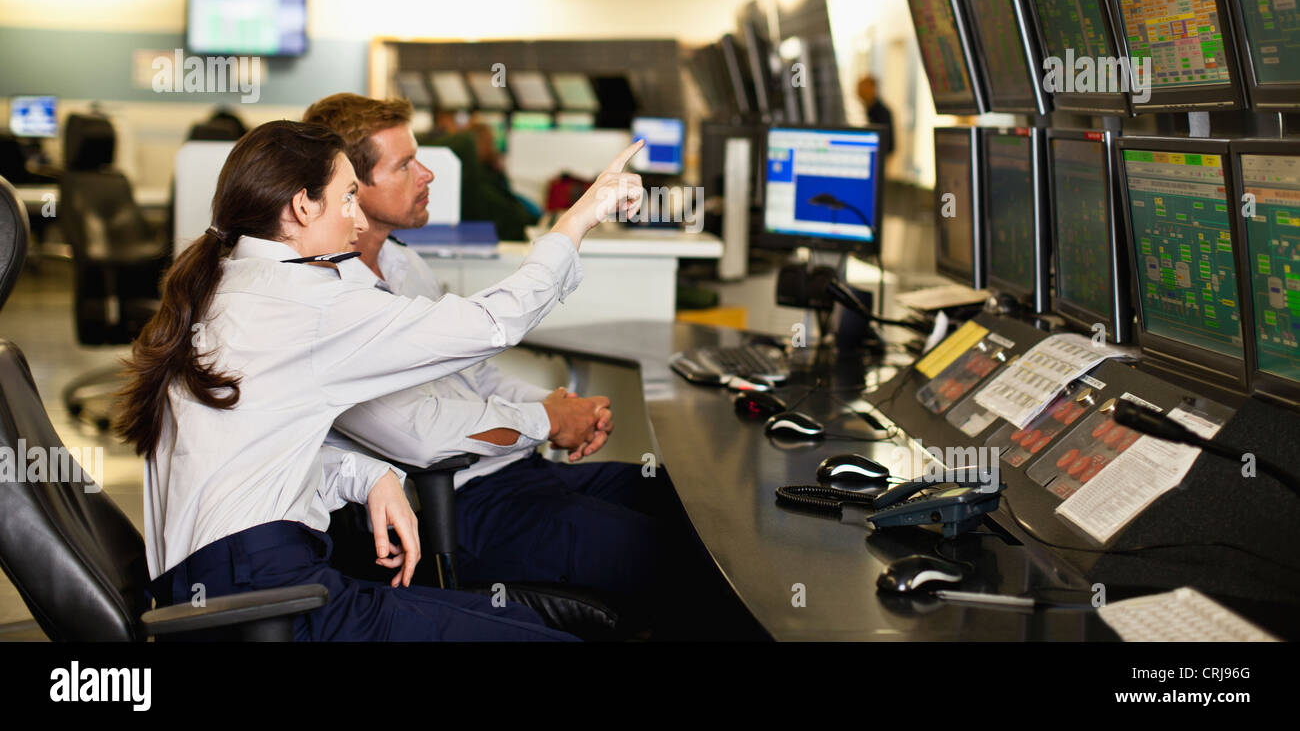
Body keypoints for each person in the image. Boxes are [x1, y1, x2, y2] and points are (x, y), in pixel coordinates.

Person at [118, 120, 645, 641]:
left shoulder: (231, 284)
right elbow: (491, 324)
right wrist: (578, 219)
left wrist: (364, 475)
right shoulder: (307, 301)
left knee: (523, 624)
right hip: (264, 591)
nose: (357, 219)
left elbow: (245, 461)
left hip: (230, 578)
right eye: (348, 196)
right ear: (304, 206)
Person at [303, 94, 750, 637]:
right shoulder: (333, 304)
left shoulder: (404, 263)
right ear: (354, 186)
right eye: (404, 165)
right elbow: (420, 435)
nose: (427, 175)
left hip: (516, 473)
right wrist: (547, 422)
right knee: (677, 559)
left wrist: (556, 407)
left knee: (696, 508)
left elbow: (474, 374)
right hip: (460, 503)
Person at [856, 74, 894, 159]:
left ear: (872, 89)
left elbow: (890, 146)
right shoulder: (865, 109)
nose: (858, 91)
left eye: (862, 88)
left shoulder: (881, 112)